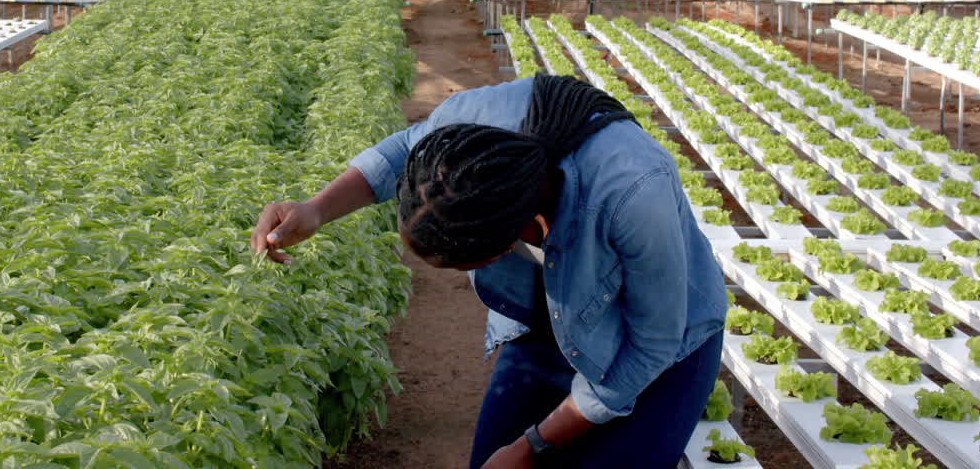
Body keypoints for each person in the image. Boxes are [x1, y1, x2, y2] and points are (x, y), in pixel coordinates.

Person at [251, 75, 728, 468]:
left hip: (663, 348)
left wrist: (532, 446)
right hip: (555, 323)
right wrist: (315, 210)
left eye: (465, 264)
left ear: (508, 240)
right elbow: (405, 149)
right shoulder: (470, 133)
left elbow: (653, 344)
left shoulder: (631, 194)